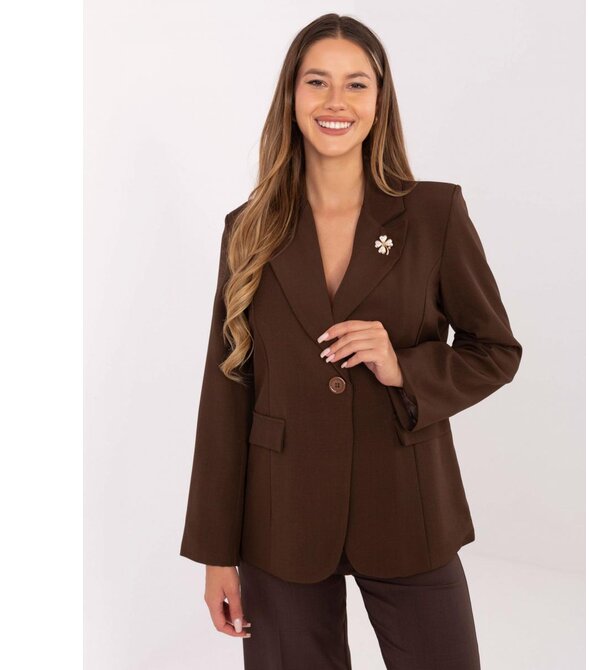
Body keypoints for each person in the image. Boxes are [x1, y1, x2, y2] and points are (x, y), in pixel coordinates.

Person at [180, 13, 522, 670]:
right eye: (317, 82)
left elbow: (496, 350)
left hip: (408, 509)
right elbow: (225, 394)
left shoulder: (434, 215)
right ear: (291, 96)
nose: (335, 102)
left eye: (356, 84)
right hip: (279, 520)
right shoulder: (248, 229)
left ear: (379, 100)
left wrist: (404, 368)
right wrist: (216, 553)